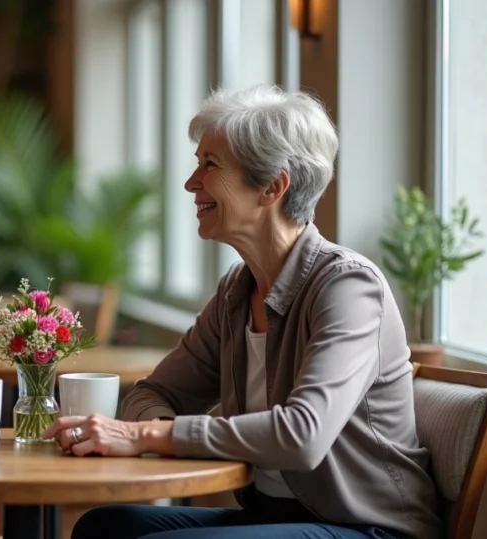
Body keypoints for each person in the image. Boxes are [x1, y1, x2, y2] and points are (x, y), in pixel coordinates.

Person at [43, 85, 441, 539]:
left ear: (273, 186)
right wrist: (161, 429)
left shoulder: (348, 287)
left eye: (210, 165)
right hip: (271, 516)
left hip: (364, 527)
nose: (192, 183)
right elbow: (150, 393)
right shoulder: (237, 289)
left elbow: (302, 435)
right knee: (103, 526)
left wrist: (147, 436)